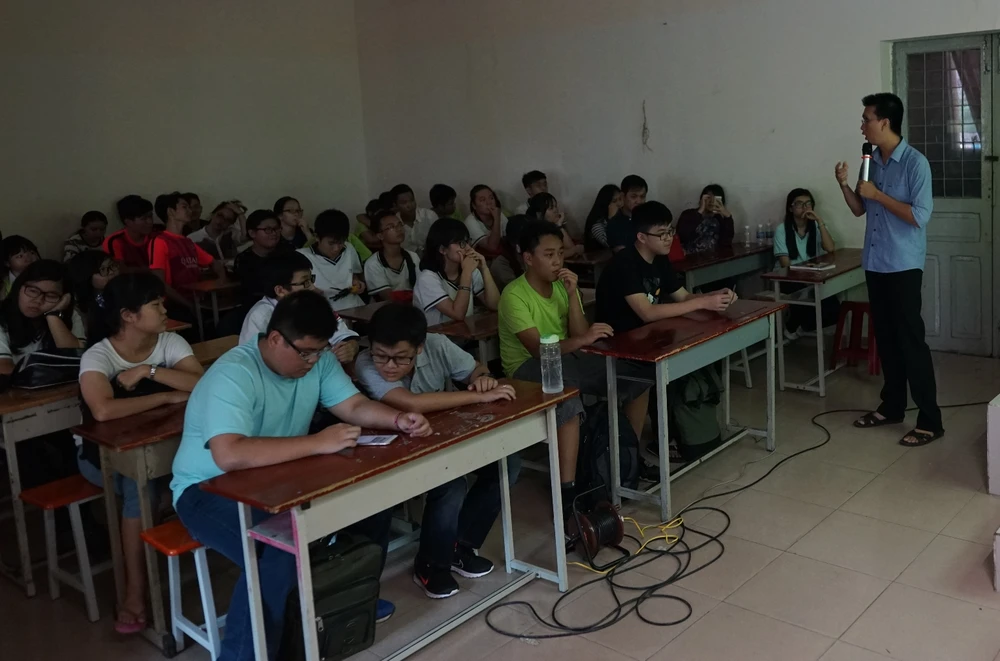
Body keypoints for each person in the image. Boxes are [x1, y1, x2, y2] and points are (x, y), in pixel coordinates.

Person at [170, 290, 432, 660]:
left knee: (369, 505)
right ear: (276, 338)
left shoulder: (317, 361)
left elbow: (353, 405)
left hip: (278, 482)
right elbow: (229, 454)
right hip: (207, 491)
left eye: (320, 351)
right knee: (277, 552)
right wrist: (317, 443)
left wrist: (398, 419)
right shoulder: (234, 373)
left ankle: (345, 599)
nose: (313, 361)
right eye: (306, 352)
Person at [355, 303, 516, 598]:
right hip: (386, 453)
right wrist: (477, 398)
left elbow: (475, 370)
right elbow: (409, 403)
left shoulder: (438, 345)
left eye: (400, 358)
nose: (388, 365)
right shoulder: (364, 363)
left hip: (439, 438)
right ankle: (431, 564)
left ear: (419, 348)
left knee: (506, 462)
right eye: (381, 356)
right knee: (451, 482)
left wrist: (482, 379)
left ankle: (459, 545)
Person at [75, 273, 201, 634]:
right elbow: (103, 410)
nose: (164, 310)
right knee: (138, 489)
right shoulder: (99, 355)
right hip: (100, 459)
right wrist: (165, 395)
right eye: (155, 304)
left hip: (158, 450)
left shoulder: (169, 341)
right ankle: (134, 592)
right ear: (129, 315)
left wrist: (149, 371)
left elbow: (201, 383)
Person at [498, 221, 649, 515]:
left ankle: (626, 459)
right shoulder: (513, 295)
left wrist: (571, 295)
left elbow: (580, 336)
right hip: (527, 369)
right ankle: (568, 492)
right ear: (528, 258)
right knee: (568, 399)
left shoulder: (561, 286)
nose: (557, 261)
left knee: (636, 375)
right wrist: (583, 339)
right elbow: (538, 350)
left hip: (566, 357)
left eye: (560, 253)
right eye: (548, 255)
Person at [835, 92, 943, 447]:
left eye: (866, 119)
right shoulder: (870, 161)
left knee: (911, 341)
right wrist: (844, 185)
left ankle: (930, 420)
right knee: (886, 339)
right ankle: (892, 407)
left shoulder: (915, 163)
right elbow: (859, 209)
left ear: (885, 122)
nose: (861, 126)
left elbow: (920, 216)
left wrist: (878, 194)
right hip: (875, 263)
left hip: (903, 265)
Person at [239, 252, 358, 364]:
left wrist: (351, 346)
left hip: (323, 369)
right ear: (280, 290)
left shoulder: (314, 304)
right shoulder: (260, 316)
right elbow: (251, 361)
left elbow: (344, 335)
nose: (312, 287)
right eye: (305, 282)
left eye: (311, 279)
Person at [0, 260, 84, 380]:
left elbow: (76, 360)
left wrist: (53, 316)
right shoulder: (3, 316)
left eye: (51, 295)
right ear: (18, 288)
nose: (38, 300)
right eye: (32, 291)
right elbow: (4, 369)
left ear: (63, 299)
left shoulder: (70, 315)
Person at [773, 189, 840, 339]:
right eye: (799, 204)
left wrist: (819, 221)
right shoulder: (782, 230)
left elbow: (830, 248)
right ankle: (792, 325)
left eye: (808, 204)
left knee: (834, 308)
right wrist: (803, 272)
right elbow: (785, 264)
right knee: (805, 295)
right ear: (790, 208)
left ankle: (801, 327)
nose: (804, 207)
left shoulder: (815, 227)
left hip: (812, 276)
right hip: (788, 278)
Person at [150, 192, 226, 315]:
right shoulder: (160, 241)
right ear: (171, 211)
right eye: (184, 207)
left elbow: (214, 263)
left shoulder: (188, 242)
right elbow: (159, 283)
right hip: (174, 306)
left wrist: (221, 280)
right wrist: (188, 304)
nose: (190, 211)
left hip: (196, 301)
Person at [414, 218, 500, 326]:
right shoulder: (427, 278)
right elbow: (458, 314)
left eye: (467, 242)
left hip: (465, 334)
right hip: (437, 336)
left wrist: (484, 268)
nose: (468, 248)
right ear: (442, 249)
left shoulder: (469, 269)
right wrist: (466, 273)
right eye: (461, 243)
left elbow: (495, 305)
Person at [298, 209, 366, 310]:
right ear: (317, 237)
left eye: (341, 242)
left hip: (353, 306)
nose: (336, 248)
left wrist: (357, 282)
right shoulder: (302, 256)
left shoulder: (349, 248)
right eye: (331, 243)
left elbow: (354, 274)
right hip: (323, 309)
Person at [233, 209, 293, 307]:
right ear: (252, 233)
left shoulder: (288, 252)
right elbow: (250, 293)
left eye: (277, 229)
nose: (274, 233)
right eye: (268, 230)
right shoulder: (244, 260)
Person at [364, 209, 420, 301]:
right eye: (391, 227)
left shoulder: (413, 257)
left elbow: (422, 287)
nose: (399, 229)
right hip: (387, 308)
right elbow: (387, 297)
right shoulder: (373, 264)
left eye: (400, 224)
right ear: (380, 236)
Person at [676, 184, 736, 254]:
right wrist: (700, 211)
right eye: (708, 197)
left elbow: (726, 242)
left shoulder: (719, 219)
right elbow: (682, 237)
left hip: (712, 258)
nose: (712, 201)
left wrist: (727, 216)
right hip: (689, 256)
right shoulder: (688, 214)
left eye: (715, 198)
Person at [66, 250, 119, 324]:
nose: (111, 272)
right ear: (86, 276)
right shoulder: (80, 309)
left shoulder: (123, 290)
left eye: (112, 265)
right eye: (103, 269)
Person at [105, 195, 156, 270]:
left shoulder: (157, 234)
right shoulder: (115, 241)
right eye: (143, 218)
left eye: (150, 216)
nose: (150, 222)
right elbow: (119, 271)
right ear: (128, 222)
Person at [525, 193, 582, 257]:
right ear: (539, 214)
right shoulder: (538, 233)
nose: (555, 210)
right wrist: (574, 250)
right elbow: (554, 255)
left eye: (555, 206)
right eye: (551, 208)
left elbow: (570, 248)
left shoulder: (553, 228)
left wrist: (559, 225)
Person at [607, 175, 648, 252]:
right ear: (622, 196)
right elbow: (623, 253)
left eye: (642, 196)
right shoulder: (615, 224)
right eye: (633, 196)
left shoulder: (649, 218)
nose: (639, 201)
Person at [392, 184, 437, 256]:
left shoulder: (429, 216)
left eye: (412, 200)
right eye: (404, 202)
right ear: (395, 205)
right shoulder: (393, 223)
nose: (410, 205)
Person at [464, 185, 508, 256]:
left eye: (491, 198)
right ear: (474, 205)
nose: (489, 202)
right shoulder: (470, 222)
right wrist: (497, 219)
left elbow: (508, 237)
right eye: (482, 200)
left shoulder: (499, 214)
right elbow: (492, 247)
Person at [583, 184, 622, 251]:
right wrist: (611, 219)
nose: (619, 203)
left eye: (620, 199)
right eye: (614, 201)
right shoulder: (596, 225)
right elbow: (611, 244)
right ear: (606, 204)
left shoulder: (622, 215)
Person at [2, 235, 40, 300]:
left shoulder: (45, 277)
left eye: (32, 253)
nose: (29, 259)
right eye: (20, 256)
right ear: (7, 263)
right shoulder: (3, 285)